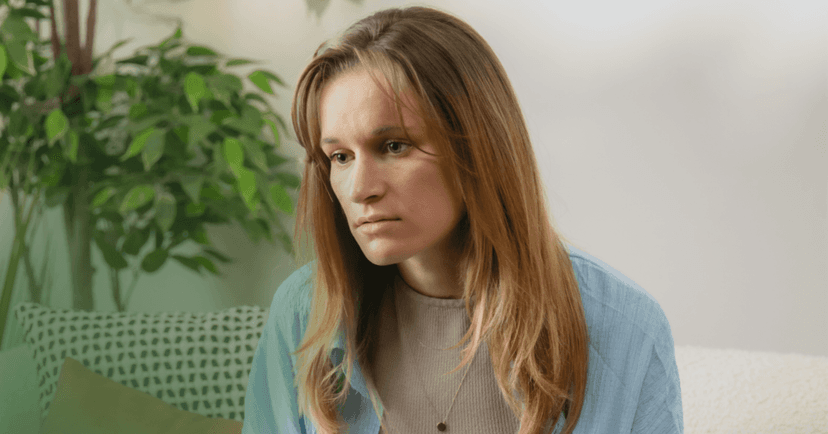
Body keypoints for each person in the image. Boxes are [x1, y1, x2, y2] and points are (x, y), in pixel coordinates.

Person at [242, 6, 683, 434]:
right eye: (340, 156)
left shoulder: (626, 328)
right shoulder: (304, 315)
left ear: (477, 146)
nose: (360, 188)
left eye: (394, 146)